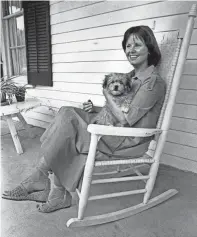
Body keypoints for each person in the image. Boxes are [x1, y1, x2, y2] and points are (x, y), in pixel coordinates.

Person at [2, 25, 166, 213]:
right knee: (66, 112)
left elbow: (126, 119)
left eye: (137, 45)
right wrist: (95, 108)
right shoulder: (130, 76)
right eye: (128, 46)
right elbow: (116, 108)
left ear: (150, 47)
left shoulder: (153, 83)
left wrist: (107, 95)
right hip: (110, 127)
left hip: (127, 140)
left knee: (68, 130)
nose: (131, 50)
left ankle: (43, 182)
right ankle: (52, 190)